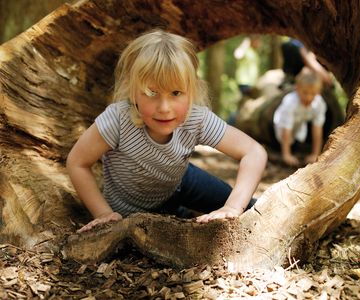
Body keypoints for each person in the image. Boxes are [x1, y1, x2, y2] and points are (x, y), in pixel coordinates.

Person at [66, 29, 268, 233]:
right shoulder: (118, 120)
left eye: (176, 93)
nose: (164, 107)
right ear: (132, 90)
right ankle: (182, 214)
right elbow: (77, 162)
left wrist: (233, 206)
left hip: (181, 182)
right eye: (151, 92)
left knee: (249, 209)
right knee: (168, 223)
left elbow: (253, 151)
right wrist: (102, 213)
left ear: (192, 90)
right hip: (129, 209)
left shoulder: (196, 118)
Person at [273, 70, 327, 167]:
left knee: (299, 143)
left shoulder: (319, 104)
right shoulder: (290, 102)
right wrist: (286, 155)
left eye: (313, 94)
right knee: (281, 142)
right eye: (305, 93)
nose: (309, 97)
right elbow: (286, 129)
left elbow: (317, 129)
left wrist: (315, 154)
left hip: (298, 127)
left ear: (318, 93)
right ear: (297, 89)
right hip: (279, 127)